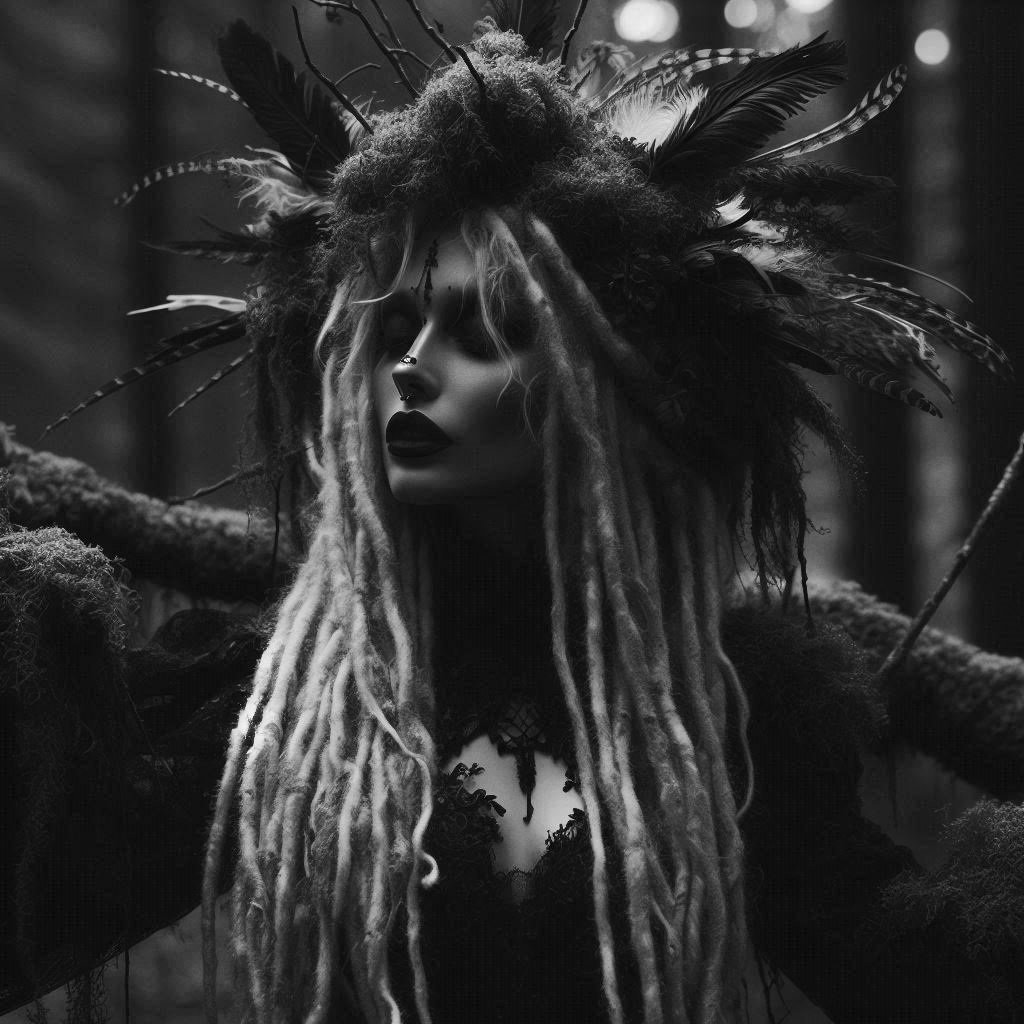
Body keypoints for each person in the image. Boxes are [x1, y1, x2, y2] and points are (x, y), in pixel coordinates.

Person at [2, 7, 1023, 1024]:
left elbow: (901, 966)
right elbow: (67, 887)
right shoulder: (319, 692)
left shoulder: (722, 709)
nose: (409, 367)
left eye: (480, 332)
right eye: (393, 329)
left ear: (613, 385)